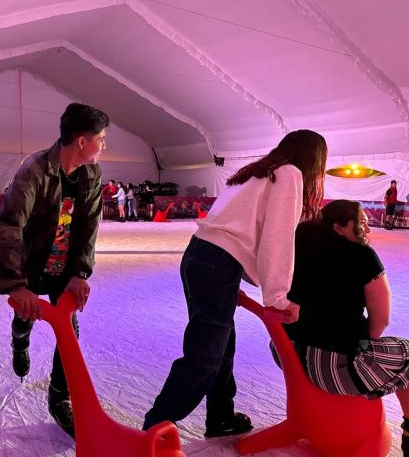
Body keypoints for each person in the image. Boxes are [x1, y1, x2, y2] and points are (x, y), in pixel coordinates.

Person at [142, 129, 328, 437]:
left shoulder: (257, 172)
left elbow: (236, 227)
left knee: (222, 343)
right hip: (216, 263)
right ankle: (155, 428)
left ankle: (220, 416)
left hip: (200, 256)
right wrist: (278, 297)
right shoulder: (290, 174)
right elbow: (277, 238)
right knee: (206, 355)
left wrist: (228, 278)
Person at [0, 102, 109, 438]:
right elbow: (9, 225)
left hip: (64, 269)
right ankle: (20, 339)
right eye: (101, 139)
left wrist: (80, 273)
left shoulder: (92, 174)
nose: (104, 145)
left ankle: (60, 398)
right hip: (30, 265)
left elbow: (89, 226)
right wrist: (16, 285)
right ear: (82, 141)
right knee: (25, 315)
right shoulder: (34, 171)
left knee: (70, 332)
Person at [283, 200, 409, 456]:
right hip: (331, 368)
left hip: (289, 353)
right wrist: (362, 346)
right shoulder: (362, 256)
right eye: (361, 223)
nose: (368, 229)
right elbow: (381, 319)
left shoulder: (299, 246)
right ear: (338, 227)